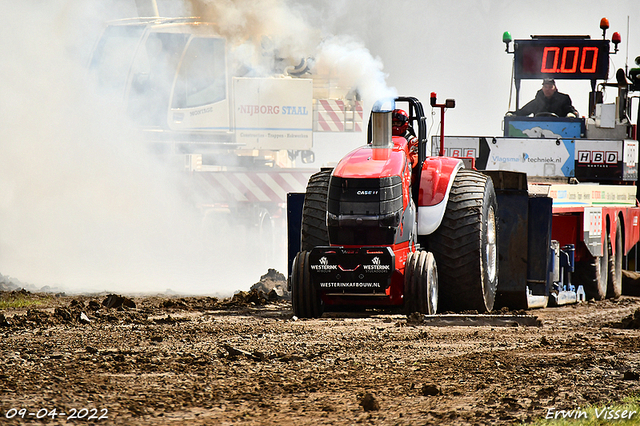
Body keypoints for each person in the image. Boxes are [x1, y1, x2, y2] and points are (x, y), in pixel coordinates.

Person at [512, 78, 578, 118]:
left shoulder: (563, 100)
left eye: (550, 87)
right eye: (545, 87)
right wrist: (513, 114)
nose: (547, 89)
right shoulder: (538, 101)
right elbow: (524, 111)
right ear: (542, 88)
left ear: (555, 88)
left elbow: (570, 110)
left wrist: (572, 114)